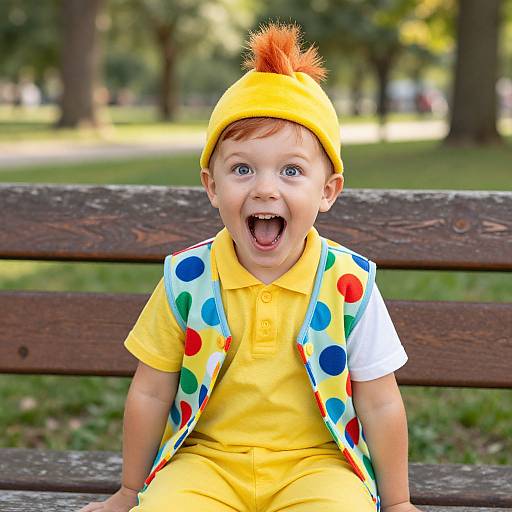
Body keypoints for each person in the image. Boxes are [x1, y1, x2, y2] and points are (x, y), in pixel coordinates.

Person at [79, 22, 421, 512]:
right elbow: (151, 392)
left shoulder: (348, 285)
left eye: (291, 170)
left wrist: (398, 503)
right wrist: (131, 492)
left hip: (317, 465)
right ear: (212, 185)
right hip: (205, 463)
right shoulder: (188, 280)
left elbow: (381, 402)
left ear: (327, 191)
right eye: (242, 168)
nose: (264, 189)